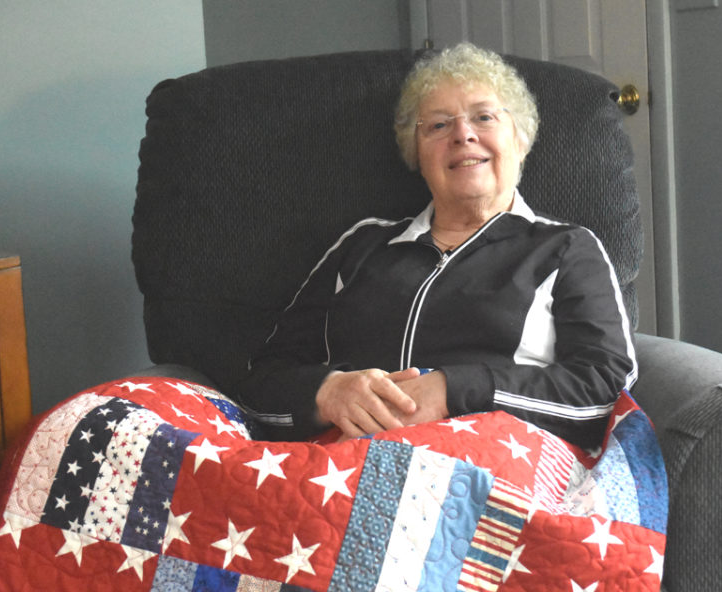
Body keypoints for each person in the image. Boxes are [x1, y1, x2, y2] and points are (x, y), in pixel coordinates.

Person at [237, 43, 637, 448]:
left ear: (520, 140)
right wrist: (326, 391)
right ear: (417, 155)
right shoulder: (364, 245)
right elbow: (263, 379)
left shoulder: (565, 248)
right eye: (438, 126)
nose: (463, 134)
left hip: (493, 465)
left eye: (483, 117)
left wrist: (454, 390)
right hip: (339, 464)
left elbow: (605, 385)